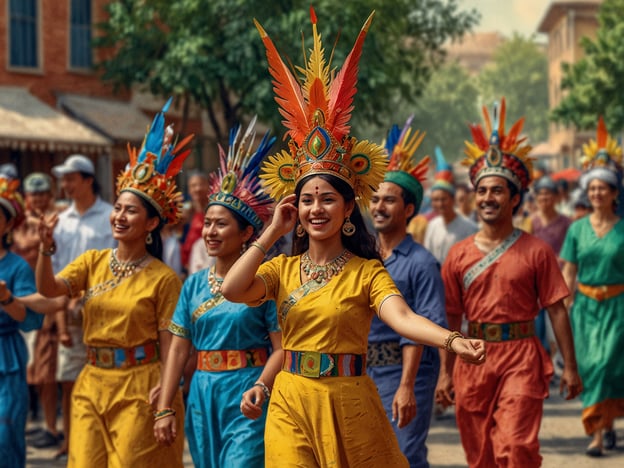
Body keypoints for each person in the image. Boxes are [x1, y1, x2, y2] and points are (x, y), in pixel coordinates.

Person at [222, 10, 485, 467]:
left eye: (327, 199)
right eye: (307, 200)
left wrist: (451, 341)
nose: (316, 208)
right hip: (290, 401)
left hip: (350, 401)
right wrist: (272, 231)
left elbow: (402, 318)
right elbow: (232, 288)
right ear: (297, 210)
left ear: (348, 209)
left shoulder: (366, 272)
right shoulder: (281, 269)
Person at [35, 100, 192, 467]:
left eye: (131, 211)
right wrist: (45, 249)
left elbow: (172, 347)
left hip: (141, 386)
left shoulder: (163, 278)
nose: (120, 216)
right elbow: (49, 290)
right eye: (118, 208)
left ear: (151, 224)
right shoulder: (93, 262)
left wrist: (167, 402)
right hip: (91, 381)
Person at [436, 98, 582, 467]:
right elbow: (451, 318)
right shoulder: (458, 254)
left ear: (514, 198)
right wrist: (445, 373)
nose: (488, 198)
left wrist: (571, 366)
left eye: (497, 191)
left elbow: (557, 310)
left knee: (516, 448)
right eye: (482, 191)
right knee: (480, 453)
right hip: (473, 354)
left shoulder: (537, 251)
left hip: (521, 356)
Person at [154, 119, 282, 467]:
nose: (210, 231)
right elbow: (179, 349)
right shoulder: (194, 284)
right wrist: (165, 406)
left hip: (246, 390)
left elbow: (281, 347)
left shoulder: (264, 281)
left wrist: (262, 386)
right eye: (208, 222)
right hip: (202, 392)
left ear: (245, 234)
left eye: (221, 224)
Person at [368, 120, 447, 467]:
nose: (379, 207)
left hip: (404, 371)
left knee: (404, 456)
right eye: (374, 199)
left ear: (409, 210)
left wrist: (407, 386)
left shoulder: (421, 263)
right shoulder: (362, 258)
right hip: (362, 371)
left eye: (389, 200)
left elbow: (422, 325)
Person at [43, 154, 116, 457]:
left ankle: (102, 439)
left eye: (71, 178)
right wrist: (60, 320)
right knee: (69, 378)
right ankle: (73, 439)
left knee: (105, 378)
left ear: (88, 179)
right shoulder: (60, 221)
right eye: (64, 179)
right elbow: (56, 274)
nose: (66, 185)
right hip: (68, 311)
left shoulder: (111, 215)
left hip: (105, 311)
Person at [560, 117, 624, 457]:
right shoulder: (577, 229)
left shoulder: (623, 230)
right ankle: (603, 427)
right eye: (593, 188)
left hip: (617, 307)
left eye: (604, 188)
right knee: (591, 366)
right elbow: (569, 271)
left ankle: (599, 433)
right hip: (585, 308)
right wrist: (563, 307)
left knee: (606, 366)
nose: (597, 193)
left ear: (615, 192)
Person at [11, 172, 63, 451]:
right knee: (27, 370)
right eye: (34, 194)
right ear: (26, 198)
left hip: (45, 301)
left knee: (46, 371)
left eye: (43, 193)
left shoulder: (57, 220)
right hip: (13, 301)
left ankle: (51, 427)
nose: (39, 198)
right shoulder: (14, 223)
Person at [530, 175, 571, 357]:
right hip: (535, 283)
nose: (544, 199)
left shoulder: (567, 223)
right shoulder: (530, 222)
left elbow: (570, 254)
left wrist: (556, 260)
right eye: (541, 195)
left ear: (556, 197)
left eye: (548, 195)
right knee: (537, 330)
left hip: (559, 279)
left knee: (558, 325)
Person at [424, 146, 477, 263]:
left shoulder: (470, 228)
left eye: (444, 199)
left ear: (453, 200)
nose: (440, 204)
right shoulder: (432, 226)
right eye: (436, 200)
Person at [180, 171, 209, 274]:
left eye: (201, 184)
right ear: (189, 190)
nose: (198, 189)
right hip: (187, 266)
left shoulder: (213, 210)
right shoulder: (185, 211)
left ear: (208, 186)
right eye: (193, 185)